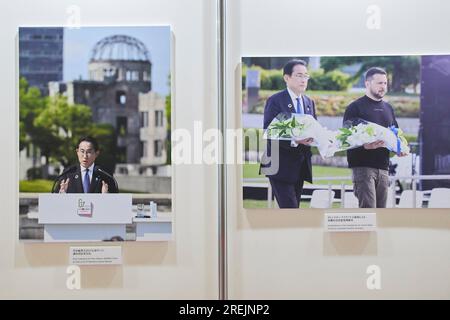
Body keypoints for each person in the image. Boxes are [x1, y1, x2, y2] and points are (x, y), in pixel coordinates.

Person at [343, 67, 406, 208]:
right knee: (368, 212)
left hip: (384, 167)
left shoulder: (388, 108)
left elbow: (396, 134)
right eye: (379, 83)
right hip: (363, 167)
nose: (383, 87)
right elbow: (345, 139)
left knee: (381, 213)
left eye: (385, 83)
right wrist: (365, 146)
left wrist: (400, 148)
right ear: (367, 84)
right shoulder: (355, 107)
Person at [260, 59, 316, 208]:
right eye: (299, 75)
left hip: (300, 166)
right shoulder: (276, 100)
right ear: (287, 78)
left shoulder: (309, 102)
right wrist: (295, 140)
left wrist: (323, 141)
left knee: (294, 211)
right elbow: (269, 131)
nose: (303, 80)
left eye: (306, 76)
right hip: (279, 166)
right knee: (289, 210)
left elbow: (313, 129)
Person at [53, 136, 119, 193]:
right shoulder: (68, 173)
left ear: (96, 153)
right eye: (82, 151)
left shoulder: (105, 174)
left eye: (89, 152)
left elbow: (116, 200)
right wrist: (61, 194)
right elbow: (55, 199)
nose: (85, 156)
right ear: (77, 152)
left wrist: (107, 196)